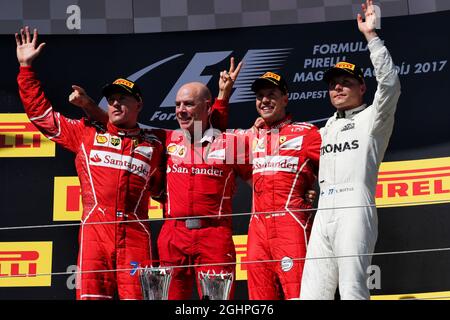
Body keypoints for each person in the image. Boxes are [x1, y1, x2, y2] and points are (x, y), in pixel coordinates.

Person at [69, 60, 250, 300]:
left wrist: (222, 98)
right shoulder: (164, 139)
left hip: (214, 235)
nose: (181, 110)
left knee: (216, 301)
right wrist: (88, 105)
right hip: (173, 235)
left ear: (206, 108)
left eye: (188, 104)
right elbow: (118, 126)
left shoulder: (231, 142)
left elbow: (259, 171)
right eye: (178, 105)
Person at [15, 27, 165, 300]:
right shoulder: (86, 134)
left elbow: (163, 190)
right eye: (112, 100)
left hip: (136, 237)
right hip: (96, 235)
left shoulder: (154, 145)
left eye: (123, 99)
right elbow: (41, 115)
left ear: (139, 104)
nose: (116, 104)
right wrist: (26, 68)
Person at [300, 0, 401, 300]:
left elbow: (391, 84)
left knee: (353, 290)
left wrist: (372, 37)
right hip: (323, 212)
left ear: (362, 88)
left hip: (355, 209)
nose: (338, 88)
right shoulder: (325, 129)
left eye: (346, 82)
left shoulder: (374, 119)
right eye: (333, 85)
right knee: (311, 295)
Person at [245, 71, 322, 299]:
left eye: (271, 94)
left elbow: (336, 170)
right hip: (257, 230)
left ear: (285, 99)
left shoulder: (307, 133)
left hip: (291, 226)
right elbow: (211, 141)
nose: (265, 100)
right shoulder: (251, 137)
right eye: (260, 96)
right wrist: (223, 94)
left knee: (299, 294)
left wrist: (317, 192)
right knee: (259, 300)